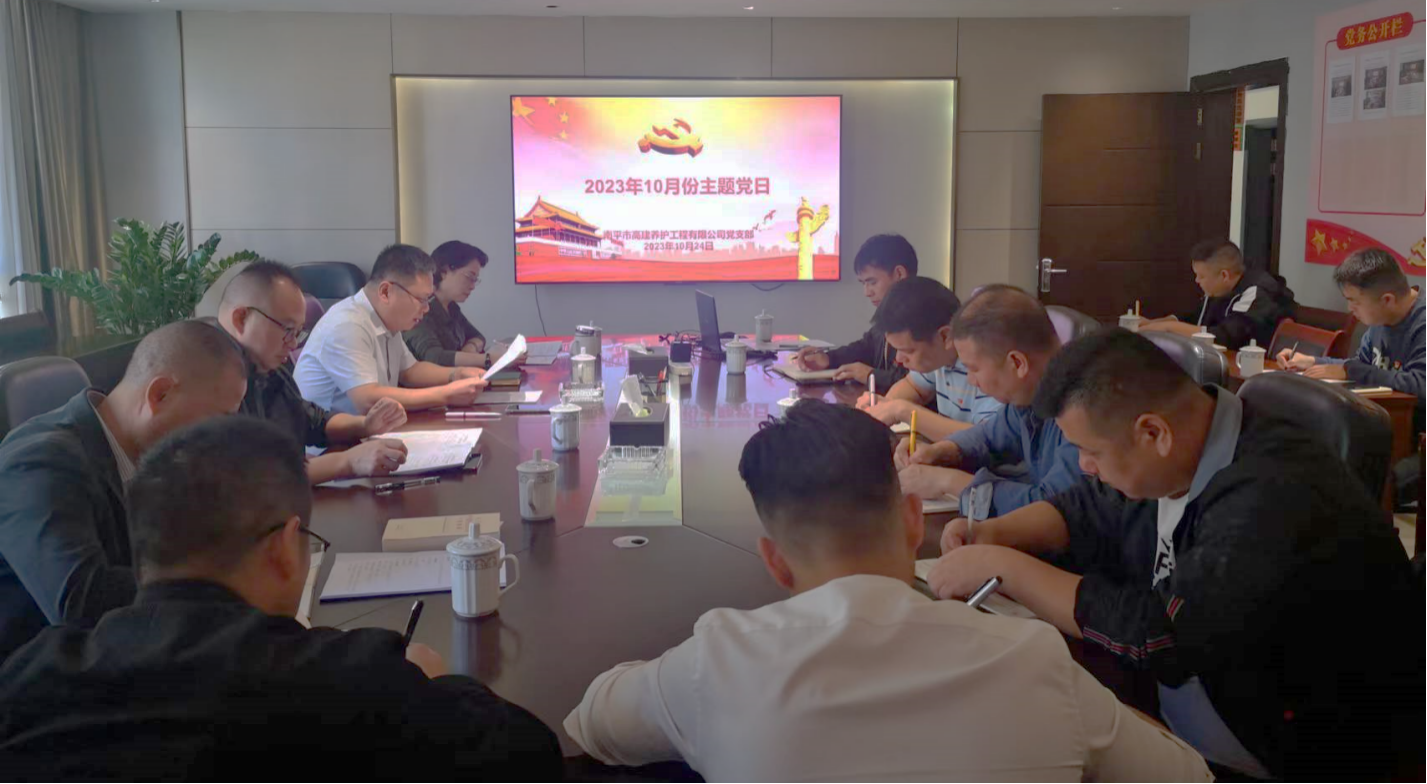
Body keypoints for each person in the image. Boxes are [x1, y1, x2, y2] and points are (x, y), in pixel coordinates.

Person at [564, 399, 1211, 782]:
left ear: (775, 563)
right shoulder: (1033, 661)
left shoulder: (716, 664)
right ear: (911, 521)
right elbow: (1186, 774)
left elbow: (593, 722)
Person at [926, 329, 1424, 781]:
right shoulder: (1191, 439)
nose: (1085, 466)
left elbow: (1158, 634)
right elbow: (1092, 505)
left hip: (1273, 741)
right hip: (1186, 701)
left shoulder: (1272, 497)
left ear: (1153, 433)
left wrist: (1006, 569)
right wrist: (997, 533)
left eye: (1091, 451)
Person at [0, 417, 562, 781]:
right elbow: (533, 755)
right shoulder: (349, 681)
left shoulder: (29, 677)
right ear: (284, 547)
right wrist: (436, 681)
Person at [0, 320, 247, 658]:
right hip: (36, 673)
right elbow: (81, 604)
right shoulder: (39, 462)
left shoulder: (151, 455)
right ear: (160, 395)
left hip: (127, 654)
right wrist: (219, 577)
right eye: (217, 420)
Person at [896, 284, 1081, 519]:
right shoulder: (1028, 396)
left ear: (1017, 363)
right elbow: (989, 437)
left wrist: (949, 482)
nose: (971, 380)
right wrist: (940, 451)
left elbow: (1053, 507)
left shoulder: (1082, 409)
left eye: (974, 369)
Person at [218, 260, 411, 484]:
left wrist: (364, 425)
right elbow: (248, 478)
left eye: (298, 333)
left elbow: (312, 421)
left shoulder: (267, 366)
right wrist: (348, 461)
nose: (293, 344)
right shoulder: (207, 377)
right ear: (241, 319)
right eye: (288, 330)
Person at [1280, 247, 1424, 505]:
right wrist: (1313, 362)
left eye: (1354, 301)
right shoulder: (1379, 322)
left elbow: (1419, 385)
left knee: (1362, 481)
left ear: (1387, 299)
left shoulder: (1420, 324)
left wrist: (1351, 369)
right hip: (1384, 427)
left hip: (1418, 438)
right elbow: (1362, 367)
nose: (1349, 309)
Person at [294, 244, 488, 415]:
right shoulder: (347, 324)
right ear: (386, 292)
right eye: (421, 299)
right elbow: (368, 399)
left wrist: (457, 374)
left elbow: (410, 371)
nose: (427, 308)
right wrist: (445, 394)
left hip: (371, 431)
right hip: (330, 441)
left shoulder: (386, 319)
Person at [854, 276, 1000, 440]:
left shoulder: (984, 366)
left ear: (944, 336)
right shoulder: (939, 358)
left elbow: (987, 438)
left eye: (908, 351)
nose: (899, 359)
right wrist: (884, 406)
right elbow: (913, 386)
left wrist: (902, 411)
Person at [791, 234, 916, 387]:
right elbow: (866, 348)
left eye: (872, 282)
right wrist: (829, 359)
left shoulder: (924, 316)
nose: (867, 292)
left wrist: (870, 375)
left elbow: (917, 384)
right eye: (863, 283)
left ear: (899, 274)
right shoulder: (889, 313)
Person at [1140, 239, 1297, 349]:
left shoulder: (1257, 292)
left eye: (1201, 276)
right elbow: (1197, 319)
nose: (1196, 280)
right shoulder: (1220, 288)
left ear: (1224, 275)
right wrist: (1154, 323)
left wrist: (1168, 327)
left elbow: (1225, 337)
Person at [405, 241, 518, 368]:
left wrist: (470, 348)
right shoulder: (421, 309)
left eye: (475, 280)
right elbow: (434, 357)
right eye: (469, 277)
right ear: (444, 272)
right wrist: (489, 359)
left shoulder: (451, 307)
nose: (473, 286)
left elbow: (478, 336)